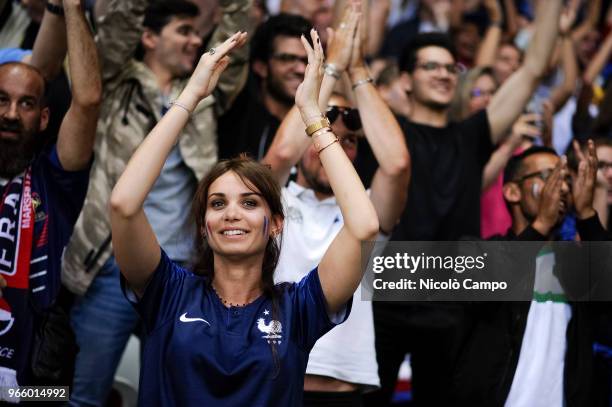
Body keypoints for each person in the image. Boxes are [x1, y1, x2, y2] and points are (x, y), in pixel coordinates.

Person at [110, 28, 380, 406]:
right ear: (204, 225)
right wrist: (190, 97)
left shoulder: (298, 309)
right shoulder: (169, 293)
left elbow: (364, 226)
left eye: (250, 203)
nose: (231, 213)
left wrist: (312, 115)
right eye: (217, 204)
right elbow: (123, 205)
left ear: (277, 223)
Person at [365, 0, 564, 405]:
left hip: (452, 306)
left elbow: (533, 67)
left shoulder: (472, 135)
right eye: (430, 66)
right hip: (386, 300)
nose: (443, 74)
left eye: (450, 67)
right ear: (405, 79)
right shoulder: (388, 134)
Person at [61, 0, 251, 405]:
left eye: (196, 32)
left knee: (170, 398)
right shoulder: (114, 79)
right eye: (184, 30)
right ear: (148, 38)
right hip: (113, 265)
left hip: (184, 272)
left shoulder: (203, 91)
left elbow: (236, 38)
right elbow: (115, 32)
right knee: (83, 395)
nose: (196, 40)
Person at [264, 5, 410, 405]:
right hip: (272, 380)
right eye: (324, 135)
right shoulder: (275, 199)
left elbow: (396, 164)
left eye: (349, 141)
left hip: (342, 391)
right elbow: (282, 151)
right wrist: (330, 71)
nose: (336, 148)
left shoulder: (364, 209)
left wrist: (357, 68)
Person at [451, 142, 611, 406]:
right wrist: (540, 226)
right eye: (549, 177)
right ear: (513, 191)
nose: (561, 188)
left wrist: (586, 213)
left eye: (566, 180)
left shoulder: (575, 264)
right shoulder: (479, 250)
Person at [0, 0, 100, 392]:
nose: (10, 113)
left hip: (30, 380)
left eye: (26, 104)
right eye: (2, 100)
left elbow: (88, 100)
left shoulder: (54, 180)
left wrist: (71, 6)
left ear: (43, 118)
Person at [218, 13, 312, 160]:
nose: (300, 69)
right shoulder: (238, 118)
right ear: (261, 66)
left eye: (306, 60)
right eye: (287, 59)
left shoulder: (320, 120)